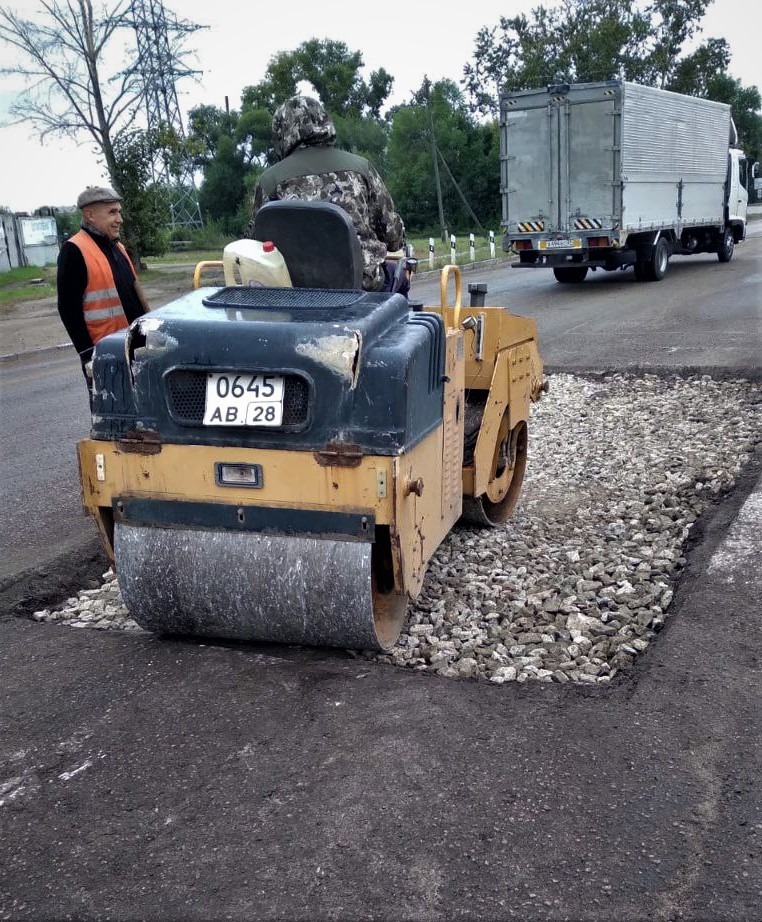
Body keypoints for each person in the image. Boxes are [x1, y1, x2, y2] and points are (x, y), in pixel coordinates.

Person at [247, 95, 409, 295]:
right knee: (401, 277)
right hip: (363, 287)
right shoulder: (360, 168)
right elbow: (392, 235)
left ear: (281, 132)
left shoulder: (268, 181)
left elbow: (253, 247)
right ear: (324, 121)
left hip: (295, 295)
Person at [56, 186, 150, 400]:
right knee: (112, 419)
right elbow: (68, 309)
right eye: (112, 212)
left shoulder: (118, 248)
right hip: (105, 353)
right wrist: (87, 355)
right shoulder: (74, 250)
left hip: (132, 348)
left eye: (119, 211)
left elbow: (135, 297)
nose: (120, 219)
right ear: (90, 215)